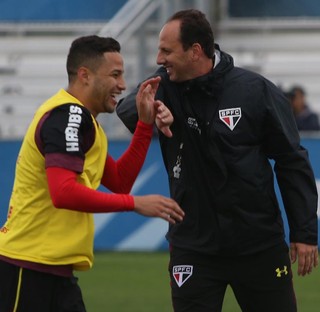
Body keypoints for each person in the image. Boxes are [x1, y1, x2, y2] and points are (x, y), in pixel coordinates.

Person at [116, 9, 319, 312]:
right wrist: (153, 108)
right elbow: (127, 109)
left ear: (195, 51)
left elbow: (291, 160)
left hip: (258, 243)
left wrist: (304, 232)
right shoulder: (165, 85)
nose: (159, 59)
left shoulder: (255, 90)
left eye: (167, 50)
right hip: (193, 247)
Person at [0, 35, 184, 312]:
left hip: (54, 272)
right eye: (115, 75)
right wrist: (135, 204)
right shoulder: (68, 116)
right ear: (85, 75)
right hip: (26, 269)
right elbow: (63, 193)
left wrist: (145, 125)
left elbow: (120, 182)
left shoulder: (86, 123)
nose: (122, 85)